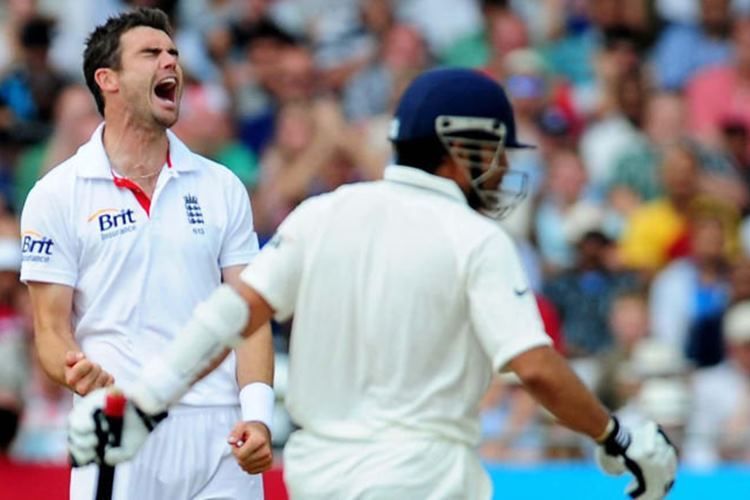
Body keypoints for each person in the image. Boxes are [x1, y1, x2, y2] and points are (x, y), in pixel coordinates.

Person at [69, 68, 677, 499]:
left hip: (319, 478)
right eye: (492, 149)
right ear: (456, 145)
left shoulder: (325, 212)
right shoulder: (476, 239)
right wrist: (617, 435)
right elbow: (536, 367)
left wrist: (146, 402)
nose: (501, 168)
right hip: (423, 479)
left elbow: (231, 314)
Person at [20, 8, 274, 500]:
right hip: (118, 425)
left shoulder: (222, 186)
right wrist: (74, 368)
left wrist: (259, 417)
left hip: (220, 432)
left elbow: (252, 315)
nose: (171, 64)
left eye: (174, 53)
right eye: (151, 53)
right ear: (107, 79)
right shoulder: (57, 194)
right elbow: (50, 332)